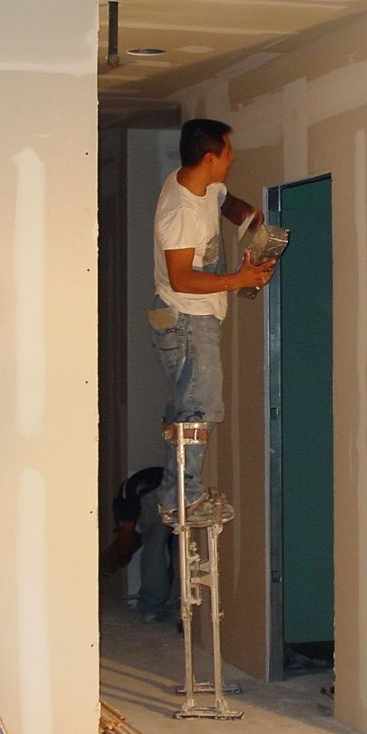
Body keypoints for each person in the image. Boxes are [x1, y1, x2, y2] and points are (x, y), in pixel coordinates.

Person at [151, 118, 275, 523]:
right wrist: (239, 279)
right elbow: (181, 277)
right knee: (198, 409)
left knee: (190, 406)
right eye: (227, 151)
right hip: (187, 319)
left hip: (195, 318)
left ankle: (180, 492)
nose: (232, 158)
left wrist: (254, 224)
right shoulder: (180, 211)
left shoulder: (197, 183)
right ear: (209, 157)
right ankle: (181, 498)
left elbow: (224, 200)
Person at [99, 466, 178, 622]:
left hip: (153, 494)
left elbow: (127, 532)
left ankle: (152, 607)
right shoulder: (129, 496)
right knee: (180, 550)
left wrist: (122, 555)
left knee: (154, 552)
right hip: (177, 488)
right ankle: (178, 607)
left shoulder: (122, 505)